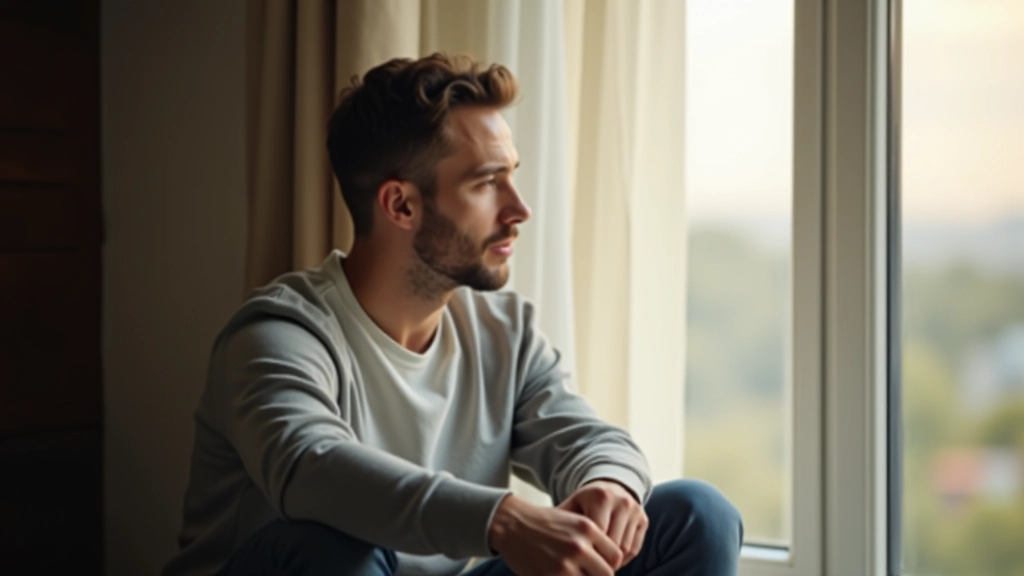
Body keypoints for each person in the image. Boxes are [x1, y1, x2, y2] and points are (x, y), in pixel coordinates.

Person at [165, 53, 743, 576]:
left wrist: (609, 482)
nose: (519, 209)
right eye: (489, 183)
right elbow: (314, 469)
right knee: (335, 550)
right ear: (401, 204)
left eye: (512, 175)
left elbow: (585, 437)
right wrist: (503, 520)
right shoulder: (279, 336)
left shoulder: (503, 332)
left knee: (698, 516)